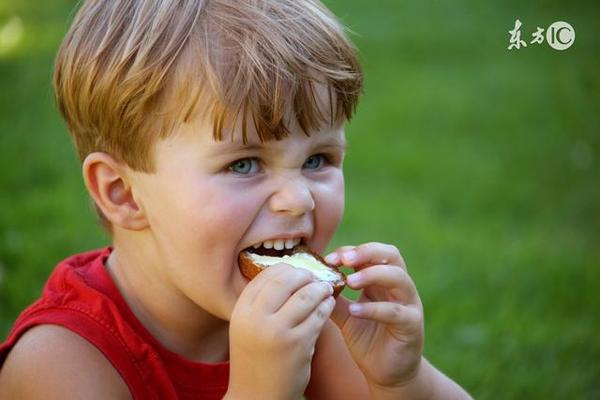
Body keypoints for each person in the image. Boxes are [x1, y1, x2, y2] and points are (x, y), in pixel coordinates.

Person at [0, 0, 472, 398]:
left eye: (318, 159)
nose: (298, 199)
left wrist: (402, 381)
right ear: (123, 193)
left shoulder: (307, 321)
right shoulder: (60, 362)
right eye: (243, 164)